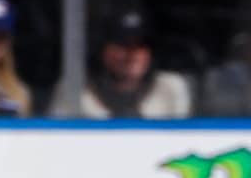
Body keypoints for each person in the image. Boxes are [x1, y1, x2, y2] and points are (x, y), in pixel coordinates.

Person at [63, 9, 193, 118]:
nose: (133, 54)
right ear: (103, 51)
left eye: (141, 46)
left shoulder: (170, 87)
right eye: (123, 45)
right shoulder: (75, 91)